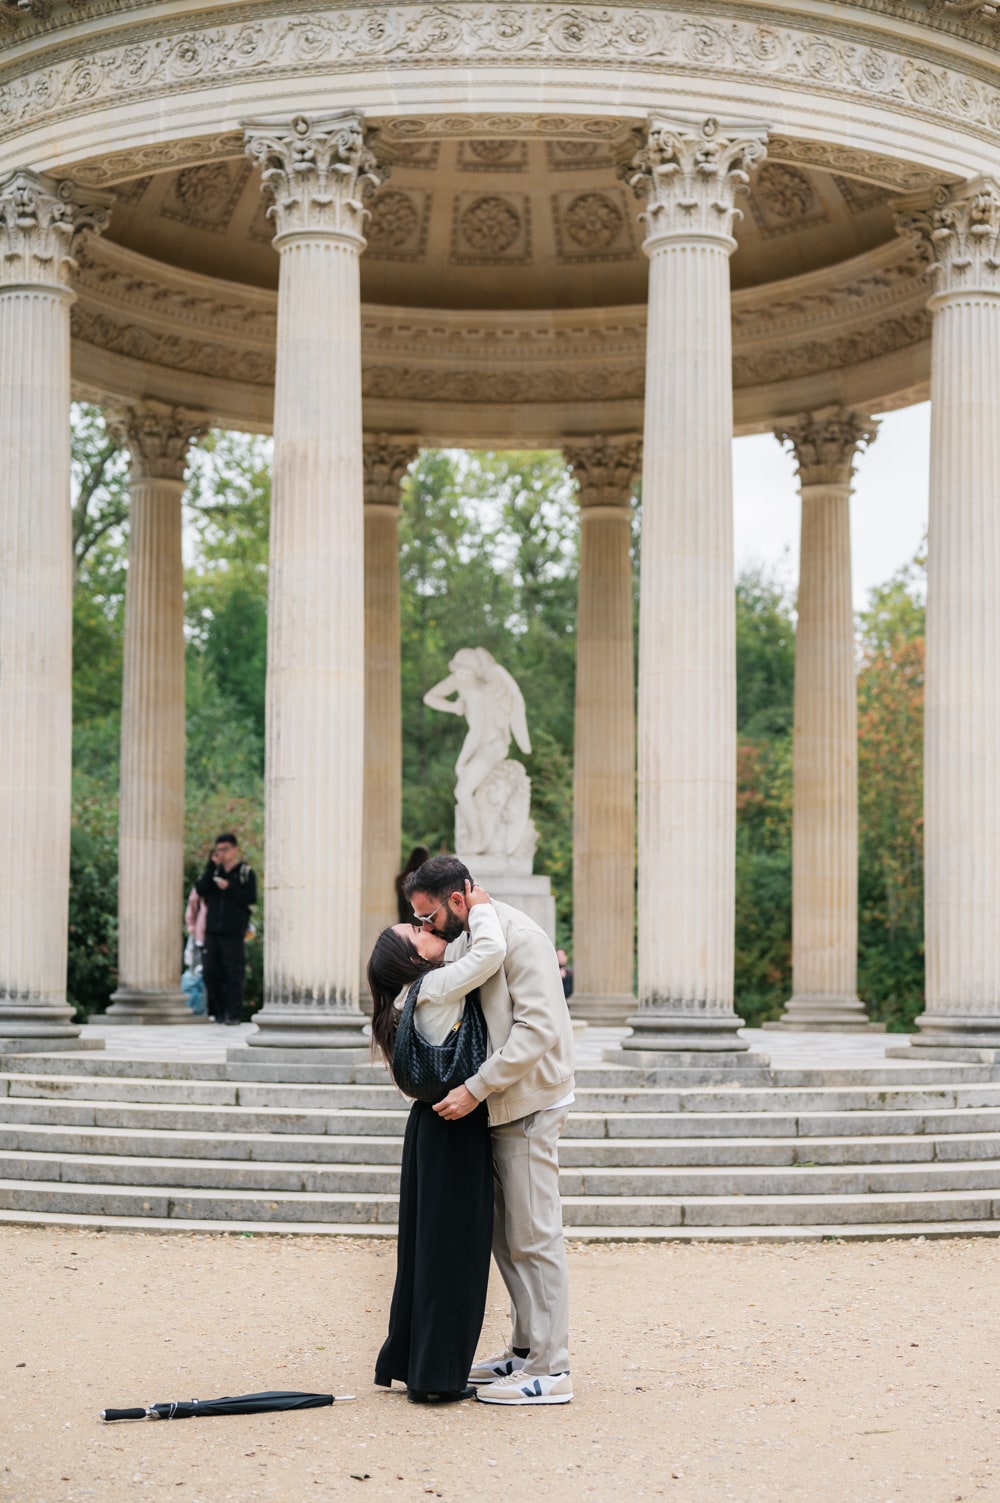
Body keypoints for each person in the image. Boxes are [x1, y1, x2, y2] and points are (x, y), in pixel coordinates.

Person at [403, 853, 575, 1407]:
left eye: (427, 917)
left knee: (535, 1233)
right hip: (497, 1103)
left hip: (528, 1101)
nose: (425, 929)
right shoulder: (470, 937)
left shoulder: (521, 937)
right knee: (505, 1236)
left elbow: (538, 1028)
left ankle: (552, 1369)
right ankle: (525, 1350)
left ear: (457, 901)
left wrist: (476, 1086)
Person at [367, 881, 504, 1404]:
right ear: (411, 959)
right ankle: (438, 1375)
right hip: (454, 1123)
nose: (427, 929)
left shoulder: (409, 996)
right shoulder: (438, 985)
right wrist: (484, 909)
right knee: (455, 1253)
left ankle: (418, 1362)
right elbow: (490, 951)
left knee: (427, 1251)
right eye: (417, 931)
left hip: (427, 1127)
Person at [195, 833, 257, 1026]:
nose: (221, 854)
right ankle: (218, 1011)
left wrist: (229, 887)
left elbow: (250, 898)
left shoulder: (245, 873)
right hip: (212, 930)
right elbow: (200, 890)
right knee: (210, 971)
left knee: (233, 973)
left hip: (233, 931)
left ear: (235, 850)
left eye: (225, 850)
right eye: (218, 850)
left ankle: (233, 1014)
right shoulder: (214, 872)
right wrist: (211, 866)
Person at [394, 844, 430, 925]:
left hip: (407, 922)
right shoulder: (427, 880)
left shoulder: (401, 879)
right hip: (423, 923)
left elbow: (401, 907)